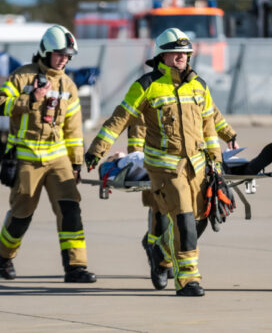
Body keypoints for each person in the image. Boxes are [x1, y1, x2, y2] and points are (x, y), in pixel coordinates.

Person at [85, 28, 222, 297]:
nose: (182, 56)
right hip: (165, 169)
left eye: (185, 52)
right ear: (163, 55)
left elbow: (210, 127)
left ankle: (159, 251)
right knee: (183, 219)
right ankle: (188, 279)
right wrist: (97, 150)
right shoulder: (146, 85)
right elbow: (120, 118)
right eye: (176, 52)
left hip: (197, 167)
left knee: (199, 221)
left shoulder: (199, 85)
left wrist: (216, 162)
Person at [0, 25, 96, 283]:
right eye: (59, 54)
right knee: (22, 211)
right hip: (26, 158)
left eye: (68, 56)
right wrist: (30, 100)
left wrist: (76, 164)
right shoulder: (22, 77)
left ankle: (76, 267)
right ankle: (4, 254)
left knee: (70, 209)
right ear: (45, 52)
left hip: (58, 158)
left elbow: (73, 131)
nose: (64, 59)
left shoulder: (68, 86)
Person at [127, 104, 239, 278]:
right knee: (161, 217)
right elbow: (138, 130)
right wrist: (138, 160)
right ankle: (158, 259)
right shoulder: (152, 89)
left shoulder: (193, 85)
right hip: (160, 168)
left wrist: (229, 135)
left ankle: (164, 255)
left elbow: (211, 112)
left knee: (193, 219)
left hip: (191, 166)